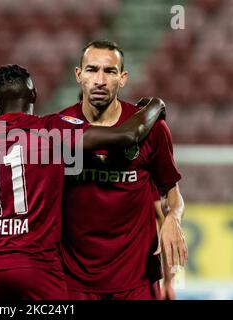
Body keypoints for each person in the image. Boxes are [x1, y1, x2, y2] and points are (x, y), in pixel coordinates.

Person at [0, 64, 166, 300]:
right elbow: (127, 135)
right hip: (38, 269)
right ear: (34, 94)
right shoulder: (52, 130)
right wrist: (155, 105)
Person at [59, 40, 187, 300]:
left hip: (135, 279)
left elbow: (171, 195)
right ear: (78, 74)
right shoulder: (57, 128)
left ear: (123, 78)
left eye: (110, 71)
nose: (100, 80)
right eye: (92, 69)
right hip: (73, 280)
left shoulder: (154, 130)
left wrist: (173, 217)